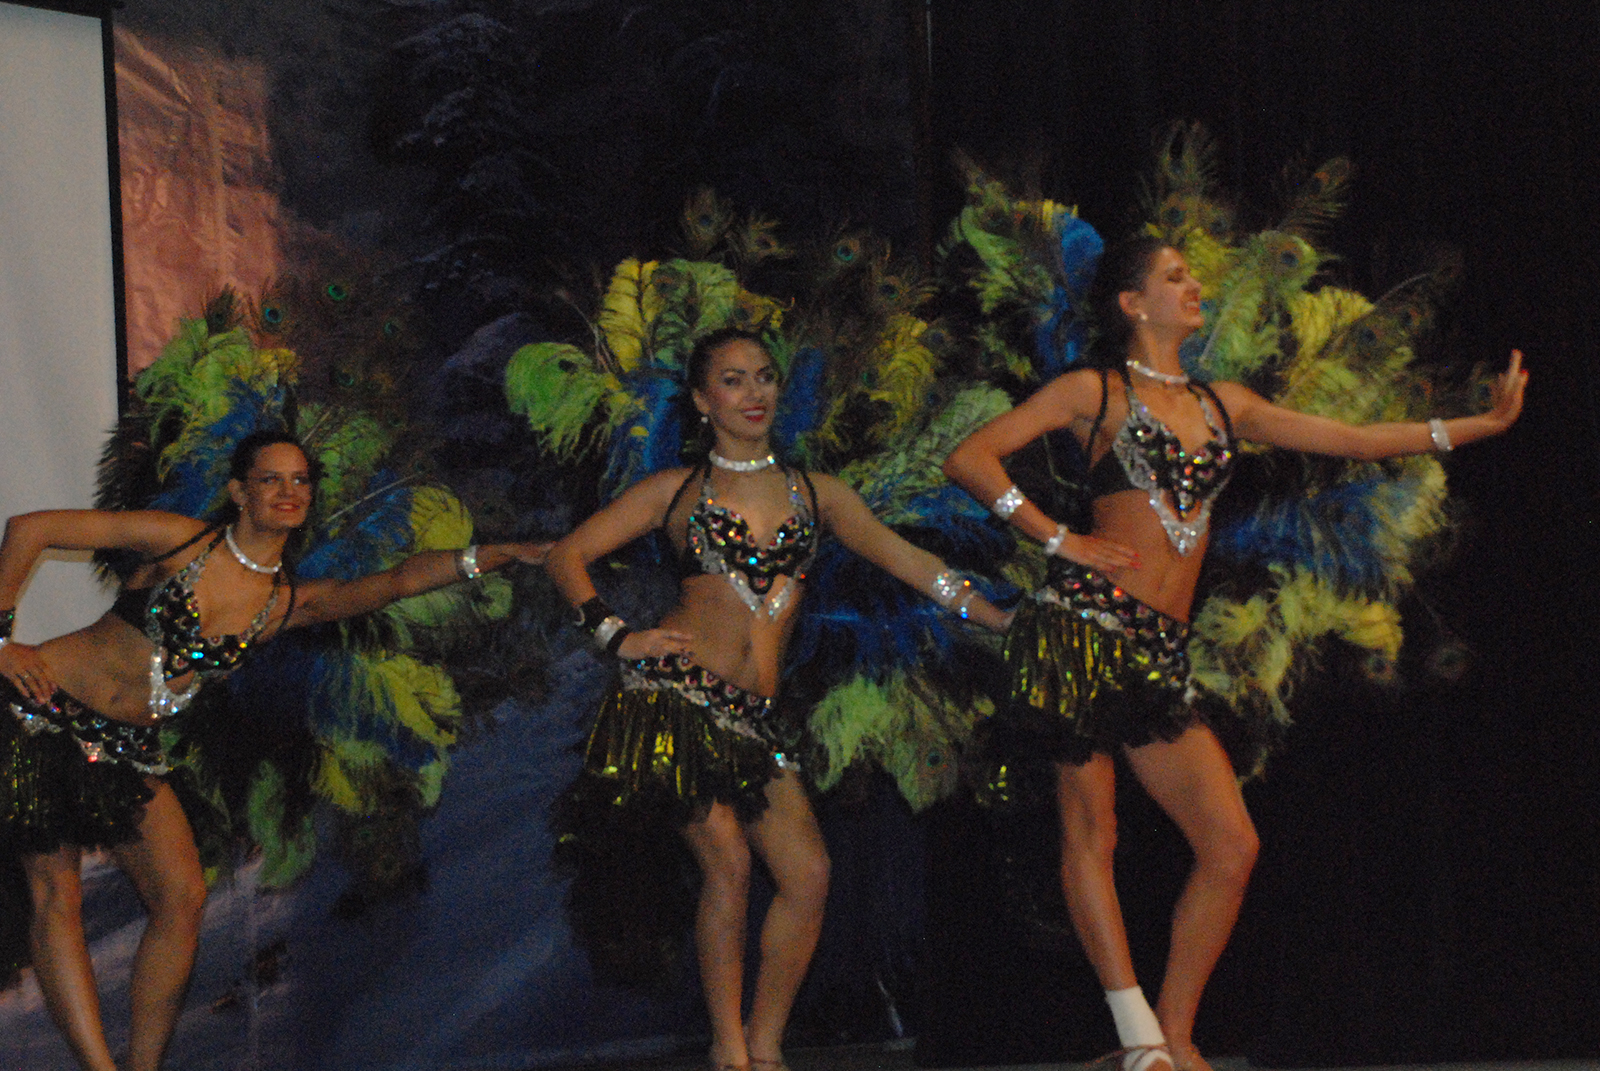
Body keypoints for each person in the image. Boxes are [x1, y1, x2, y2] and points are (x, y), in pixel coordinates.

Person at [942, 235, 1527, 1071]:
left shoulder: (1228, 406)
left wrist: (1480, 424)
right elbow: (968, 457)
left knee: (1230, 843)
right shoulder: (1092, 392)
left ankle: (1175, 1034)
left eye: (1192, 275)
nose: (1195, 285)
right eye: (1175, 276)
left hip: (1159, 654)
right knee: (1093, 830)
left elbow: (1354, 438)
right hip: (1081, 631)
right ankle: (1140, 1039)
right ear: (1132, 303)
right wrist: (1057, 538)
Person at [0, 429, 549, 1071]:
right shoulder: (180, 540)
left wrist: (491, 554)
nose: (288, 492)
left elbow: (397, 582)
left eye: (300, 481)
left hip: (127, 747)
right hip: (40, 710)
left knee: (183, 897)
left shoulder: (284, 603)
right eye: (270, 479)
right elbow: (30, 528)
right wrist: (2, 642)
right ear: (240, 492)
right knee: (58, 891)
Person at [546, 327, 1010, 1071]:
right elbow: (568, 556)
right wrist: (616, 636)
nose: (754, 392)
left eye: (764, 376)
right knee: (728, 863)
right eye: (733, 380)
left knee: (809, 875)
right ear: (702, 401)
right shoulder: (674, 491)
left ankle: (765, 1045)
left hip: (755, 721)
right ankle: (729, 1049)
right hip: (674, 702)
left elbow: (913, 562)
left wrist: (995, 617)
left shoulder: (818, 494)